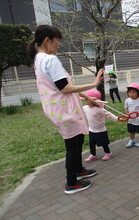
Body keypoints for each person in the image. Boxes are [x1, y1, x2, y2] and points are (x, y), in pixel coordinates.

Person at [27, 25, 103, 194]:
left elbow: (62, 86)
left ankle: (78, 170)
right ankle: (71, 183)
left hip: (57, 109)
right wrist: (94, 84)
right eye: (57, 41)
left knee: (77, 141)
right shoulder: (50, 60)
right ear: (47, 40)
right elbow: (65, 88)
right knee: (73, 146)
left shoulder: (38, 60)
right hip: (65, 111)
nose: (58, 45)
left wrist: (87, 97)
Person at [83, 90, 118, 163]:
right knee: (91, 143)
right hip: (91, 130)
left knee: (104, 143)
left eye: (87, 99)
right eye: (85, 99)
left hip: (101, 130)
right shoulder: (85, 108)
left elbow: (109, 114)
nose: (85, 100)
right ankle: (93, 154)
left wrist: (117, 118)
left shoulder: (100, 109)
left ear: (94, 100)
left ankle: (108, 153)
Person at [124, 83, 139, 148]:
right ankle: (131, 140)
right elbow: (126, 108)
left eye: (134, 92)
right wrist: (127, 115)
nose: (131, 94)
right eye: (130, 92)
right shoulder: (127, 100)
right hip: (131, 120)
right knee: (131, 131)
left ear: (137, 93)